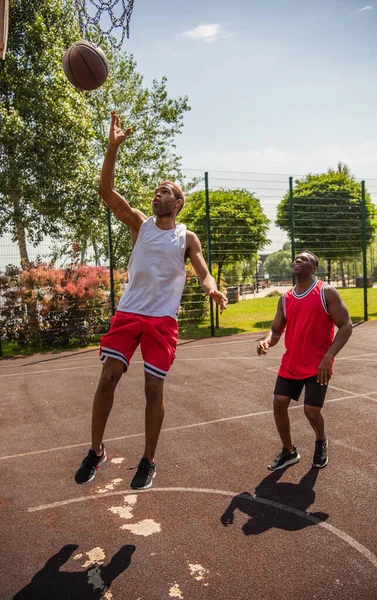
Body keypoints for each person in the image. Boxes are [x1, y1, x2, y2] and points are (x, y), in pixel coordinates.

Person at [75, 111, 227, 490]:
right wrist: (111, 149)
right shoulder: (139, 224)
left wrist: (210, 286)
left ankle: (148, 460)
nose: (157, 193)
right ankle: (96, 451)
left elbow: (203, 270)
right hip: (129, 314)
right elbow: (107, 194)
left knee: (153, 389)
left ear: (178, 202)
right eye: (157, 190)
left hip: (162, 320)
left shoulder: (186, 238)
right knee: (108, 376)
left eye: (165, 190)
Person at [257, 251, 352, 470]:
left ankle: (321, 440)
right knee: (279, 403)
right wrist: (266, 341)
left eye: (305, 259)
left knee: (311, 411)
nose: (298, 260)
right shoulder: (285, 298)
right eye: (296, 258)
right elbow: (276, 330)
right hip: (291, 362)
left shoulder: (325, 292)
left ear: (314, 268)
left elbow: (346, 325)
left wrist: (329, 356)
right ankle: (289, 452)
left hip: (318, 365)